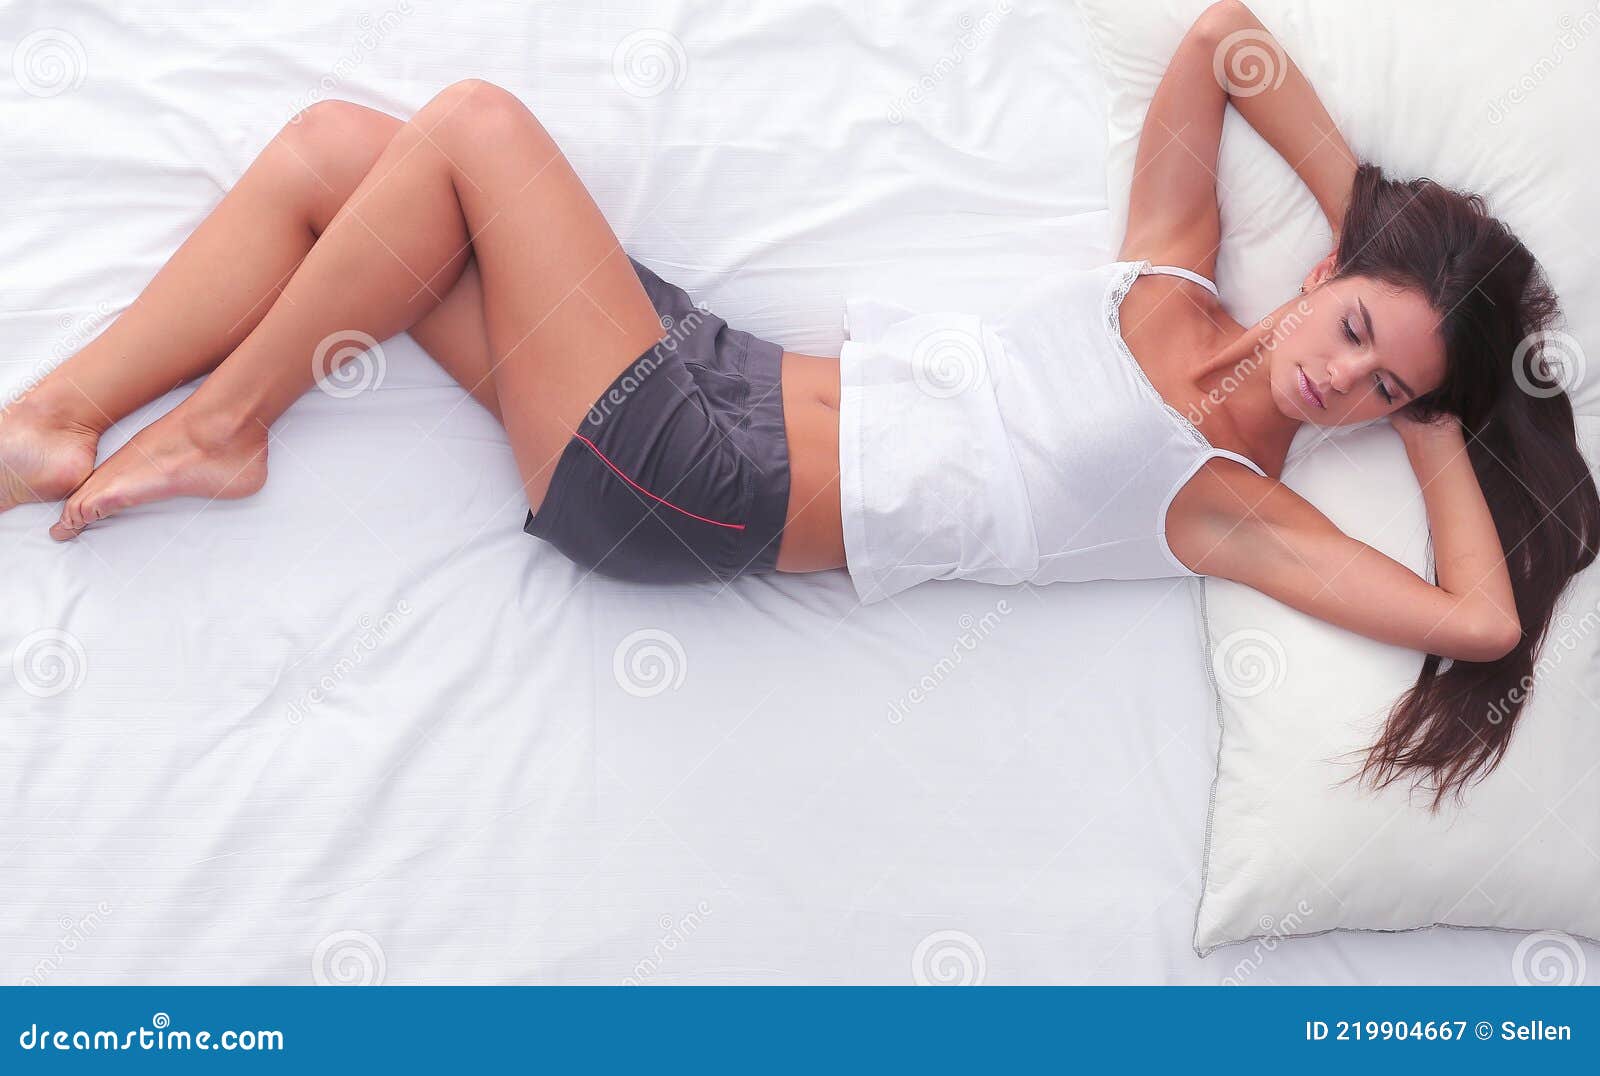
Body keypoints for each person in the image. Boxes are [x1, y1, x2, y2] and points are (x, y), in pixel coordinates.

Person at [1, 2, 1594, 805]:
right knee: (349, 154)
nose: (1343, 375)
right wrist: (1370, 200)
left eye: (1378, 387)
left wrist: (1437, 425)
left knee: (475, 125)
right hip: (701, 369)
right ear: (1331, 266)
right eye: (1364, 329)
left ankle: (226, 429)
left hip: (691, 481)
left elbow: (1475, 624)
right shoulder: (1168, 278)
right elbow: (1224, 42)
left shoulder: (1232, 502)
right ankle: (58, 418)